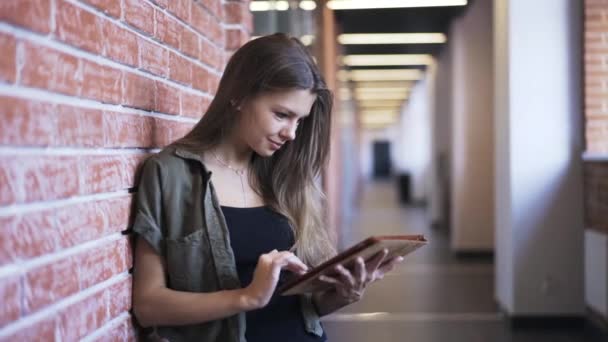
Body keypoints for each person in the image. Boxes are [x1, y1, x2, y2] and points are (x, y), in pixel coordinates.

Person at [131, 33, 404, 342]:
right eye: (281, 114)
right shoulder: (170, 174)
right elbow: (148, 305)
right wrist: (246, 298)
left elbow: (307, 304)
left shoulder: (289, 178)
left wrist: (344, 294)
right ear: (239, 95)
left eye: (299, 120)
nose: (291, 133)